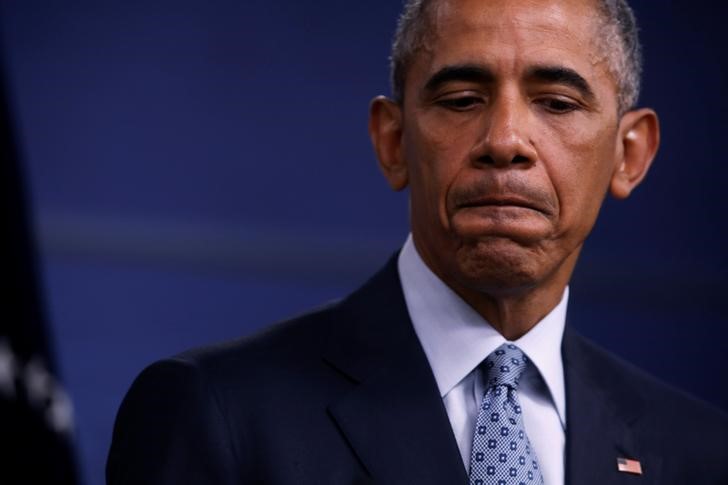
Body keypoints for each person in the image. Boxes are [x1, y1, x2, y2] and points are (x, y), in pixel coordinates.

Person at [107, 0, 728, 483]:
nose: (506, 139)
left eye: (557, 103)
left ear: (630, 155)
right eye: (461, 100)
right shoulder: (215, 414)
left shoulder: (700, 452)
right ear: (392, 141)